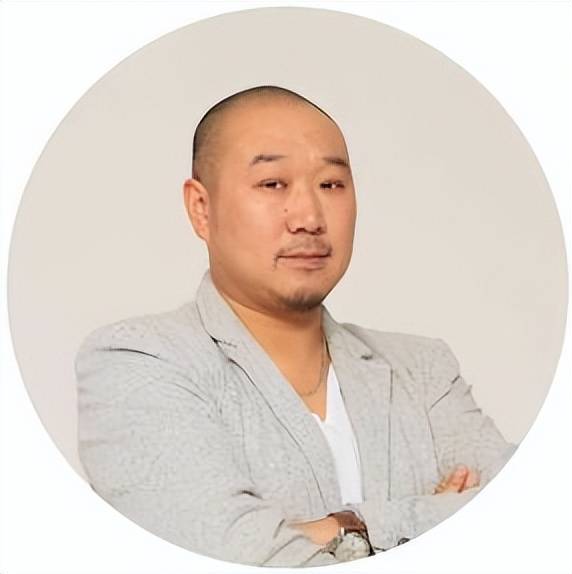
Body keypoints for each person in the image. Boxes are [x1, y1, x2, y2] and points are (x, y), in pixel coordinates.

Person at [75, 85, 515, 567]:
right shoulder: (138, 360)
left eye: (331, 185)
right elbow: (237, 556)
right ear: (202, 208)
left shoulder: (422, 370)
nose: (308, 217)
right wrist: (433, 519)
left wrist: (349, 526)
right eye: (272, 184)